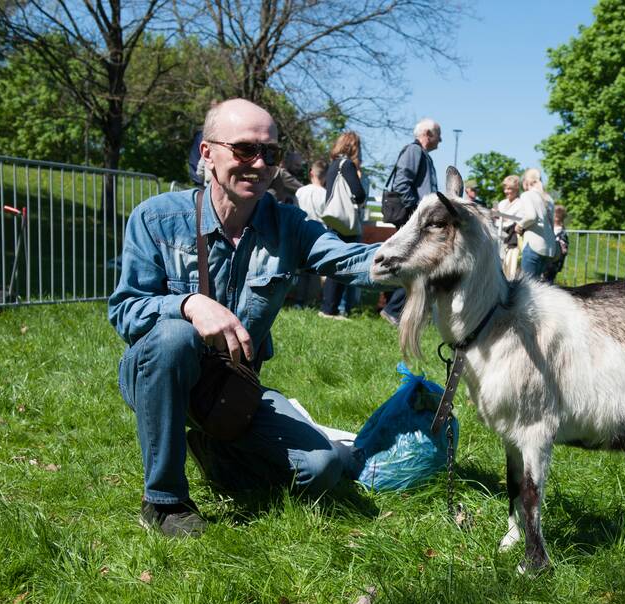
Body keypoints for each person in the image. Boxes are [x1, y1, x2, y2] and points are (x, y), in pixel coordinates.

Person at [109, 99, 383, 537]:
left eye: (270, 153)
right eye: (243, 150)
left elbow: (353, 260)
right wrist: (187, 305)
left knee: (323, 468)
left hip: (234, 388)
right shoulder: (156, 218)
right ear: (207, 153)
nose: (258, 163)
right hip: (158, 372)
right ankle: (164, 501)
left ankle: (215, 450)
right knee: (175, 338)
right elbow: (125, 310)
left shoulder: (289, 225)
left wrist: (432, 250)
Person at [379, 118, 441, 325]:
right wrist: (416, 213)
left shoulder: (422, 155)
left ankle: (398, 311)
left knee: (416, 265)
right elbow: (402, 183)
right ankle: (394, 310)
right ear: (428, 134)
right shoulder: (414, 152)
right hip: (412, 219)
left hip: (416, 219)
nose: (441, 140)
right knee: (415, 265)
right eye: (438, 134)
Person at [318, 132, 367, 319]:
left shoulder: (333, 165)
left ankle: (329, 308)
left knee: (336, 263)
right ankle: (331, 309)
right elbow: (358, 194)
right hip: (346, 222)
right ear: (353, 146)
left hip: (335, 220)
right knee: (344, 265)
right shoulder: (347, 165)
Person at [287, 160, 328, 307]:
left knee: (301, 270)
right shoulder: (325, 194)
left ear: (311, 172)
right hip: (319, 234)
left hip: (301, 231)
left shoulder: (300, 191)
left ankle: (298, 299)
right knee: (314, 272)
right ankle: (310, 301)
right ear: (326, 175)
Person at [515, 168, 559, 281]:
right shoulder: (549, 199)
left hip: (533, 247)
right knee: (543, 289)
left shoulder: (527, 195)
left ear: (526, 182)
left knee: (528, 288)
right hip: (549, 249)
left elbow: (531, 216)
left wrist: (519, 226)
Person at [496, 174, 523, 280]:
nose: (506, 191)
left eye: (509, 188)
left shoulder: (521, 203)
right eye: (505, 188)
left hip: (513, 242)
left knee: (511, 272)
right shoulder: (502, 203)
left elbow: (519, 220)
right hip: (500, 241)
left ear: (516, 189)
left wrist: (501, 217)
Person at [543, 203, 570, 284]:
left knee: (548, 281)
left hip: (554, 260)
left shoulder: (561, 231)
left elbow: (564, 249)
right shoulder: (548, 227)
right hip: (547, 257)